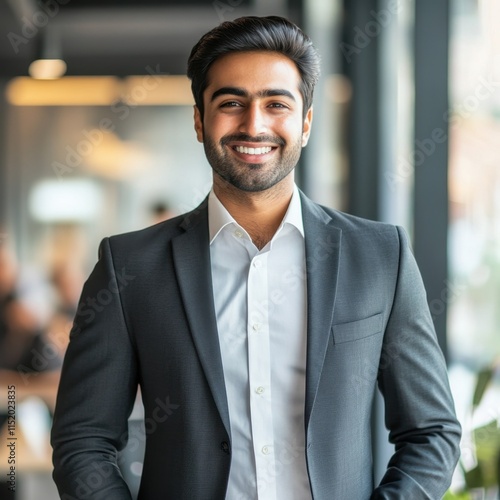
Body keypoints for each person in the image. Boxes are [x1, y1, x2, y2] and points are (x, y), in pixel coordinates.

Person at [51, 15, 461, 500]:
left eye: (276, 104)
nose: (254, 124)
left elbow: (431, 431)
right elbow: (83, 440)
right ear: (200, 120)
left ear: (306, 123)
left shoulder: (379, 256)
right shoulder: (128, 266)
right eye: (231, 103)